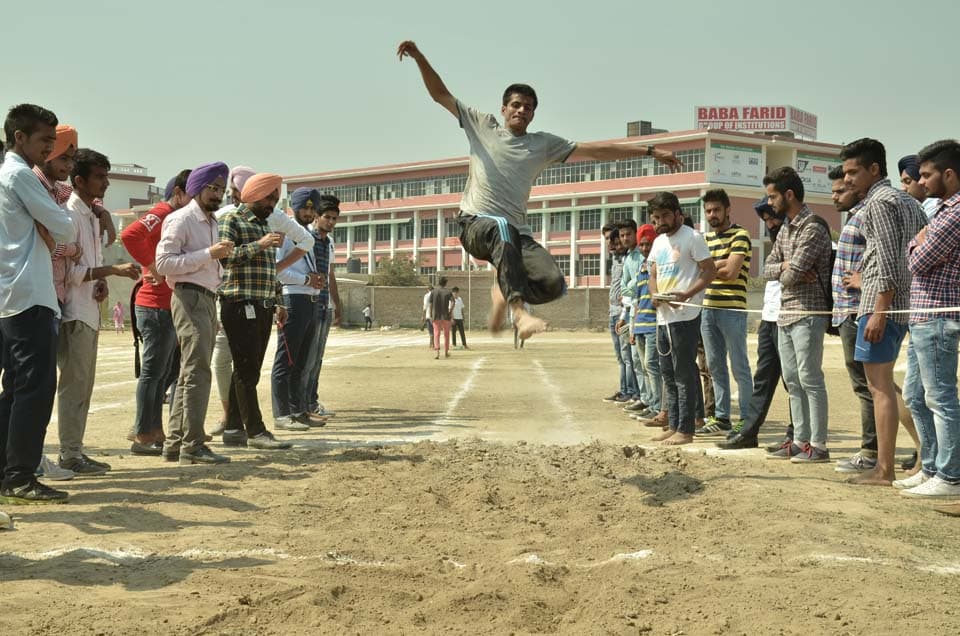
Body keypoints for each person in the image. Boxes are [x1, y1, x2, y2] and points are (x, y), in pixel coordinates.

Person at [397, 40, 680, 341]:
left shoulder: (542, 144)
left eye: (528, 107)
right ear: (503, 108)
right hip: (475, 224)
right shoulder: (482, 125)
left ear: (533, 115)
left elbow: (597, 151)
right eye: (516, 105)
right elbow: (440, 94)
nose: (521, 110)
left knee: (554, 282)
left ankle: (502, 292)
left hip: (516, 233)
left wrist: (649, 150)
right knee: (500, 226)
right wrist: (419, 57)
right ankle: (519, 313)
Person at [0, 104, 76, 504]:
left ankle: (9, 472)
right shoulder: (19, 175)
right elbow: (64, 224)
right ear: (19, 138)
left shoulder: (6, 174)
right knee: (34, 387)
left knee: (15, 387)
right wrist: (48, 223)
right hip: (28, 294)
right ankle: (20, 476)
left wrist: (44, 223)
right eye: (45, 140)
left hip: (15, 294)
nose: (49, 148)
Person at [840, 138, 926, 486]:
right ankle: (923, 459)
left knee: (880, 388)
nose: (846, 180)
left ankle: (884, 469)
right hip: (903, 304)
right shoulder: (909, 201)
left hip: (882, 304)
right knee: (891, 387)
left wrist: (879, 310)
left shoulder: (878, 202)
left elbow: (889, 259)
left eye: (852, 172)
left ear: (874, 169)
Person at [57, 149, 140, 476]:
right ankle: (69, 453)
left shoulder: (90, 214)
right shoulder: (70, 215)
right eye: (100, 177)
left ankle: (74, 450)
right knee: (74, 386)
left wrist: (100, 279)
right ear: (79, 181)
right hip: (74, 312)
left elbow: (87, 269)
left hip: (88, 308)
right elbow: (68, 272)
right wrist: (112, 270)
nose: (105, 183)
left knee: (83, 385)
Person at [155, 161, 235, 465]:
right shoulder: (181, 219)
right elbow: (163, 264)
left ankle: (175, 443)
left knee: (191, 372)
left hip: (204, 297)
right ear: (196, 188)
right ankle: (193, 444)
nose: (217, 194)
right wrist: (209, 255)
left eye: (221, 190)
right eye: (212, 188)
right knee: (197, 372)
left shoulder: (210, 221)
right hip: (188, 296)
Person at [218, 173, 301, 450]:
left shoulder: (266, 224)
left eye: (275, 199)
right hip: (240, 303)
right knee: (247, 370)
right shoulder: (233, 220)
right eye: (268, 198)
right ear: (252, 195)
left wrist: (278, 301)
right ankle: (256, 431)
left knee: (246, 368)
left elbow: (268, 271)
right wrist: (260, 244)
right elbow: (225, 257)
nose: (271, 204)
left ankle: (232, 429)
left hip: (263, 305)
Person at [897, 140, 960, 497]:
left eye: (926, 175)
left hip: (939, 316)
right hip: (922, 315)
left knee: (940, 397)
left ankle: (950, 476)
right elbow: (918, 251)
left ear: (948, 174)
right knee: (916, 396)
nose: (920, 182)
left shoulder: (954, 214)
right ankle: (932, 467)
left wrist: (916, 243)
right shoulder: (942, 211)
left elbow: (917, 261)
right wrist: (918, 240)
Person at [762, 166, 833, 463]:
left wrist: (788, 270)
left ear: (789, 194)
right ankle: (800, 440)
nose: (769, 203)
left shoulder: (813, 227)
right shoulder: (788, 228)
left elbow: (793, 276)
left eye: (773, 196)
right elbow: (768, 269)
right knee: (792, 379)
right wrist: (786, 267)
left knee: (810, 378)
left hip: (809, 313)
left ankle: (819, 445)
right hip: (786, 314)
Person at [120, 169, 192, 455]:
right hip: (154, 305)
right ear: (178, 193)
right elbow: (130, 234)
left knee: (163, 374)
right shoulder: (163, 212)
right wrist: (152, 265)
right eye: (192, 195)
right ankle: (142, 433)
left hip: (169, 305)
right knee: (152, 374)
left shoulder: (180, 219)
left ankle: (154, 430)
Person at [28, 123, 81, 483]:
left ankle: (28, 458)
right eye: (63, 155)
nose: (68, 164)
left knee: (39, 384)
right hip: (29, 294)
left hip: (51, 294)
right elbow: (49, 238)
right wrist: (70, 248)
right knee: (29, 385)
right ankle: (25, 461)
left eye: (71, 157)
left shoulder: (57, 191)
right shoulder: (29, 184)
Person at [718, 198, 793, 450]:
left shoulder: (799, 237)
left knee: (793, 381)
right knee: (763, 378)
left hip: (792, 319)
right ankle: (748, 431)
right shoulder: (775, 245)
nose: (771, 224)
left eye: (773, 217)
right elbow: (769, 274)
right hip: (770, 319)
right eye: (766, 221)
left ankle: (796, 434)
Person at [646, 191, 717, 446]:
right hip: (663, 316)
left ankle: (686, 430)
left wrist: (688, 294)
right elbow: (653, 273)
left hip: (685, 315)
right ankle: (673, 423)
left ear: (678, 213)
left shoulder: (692, 237)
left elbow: (710, 271)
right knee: (667, 372)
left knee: (684, 372)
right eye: (655, 218)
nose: (660, 222)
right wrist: (654, 296)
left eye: (665, 215)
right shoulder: (657, 242)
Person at [697, 188, 753, 435]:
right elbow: (694, 270)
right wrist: (719, 264)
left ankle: (747, 419)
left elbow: (731, 273)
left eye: (716, 210)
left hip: (732, 309)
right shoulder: (703, 240)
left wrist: (710, 267)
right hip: (707, 309)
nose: (712, 215)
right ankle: (721, 418)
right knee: (714, 366)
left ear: (728, 209)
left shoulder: (740, 235)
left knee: (739, 365)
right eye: (708, 211)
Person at [271, 187, 327, 431]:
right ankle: (282, 413)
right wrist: (307, 281)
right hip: (293, 299)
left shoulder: (305, 234)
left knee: (302, 361)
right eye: (304, 207)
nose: (308, 212)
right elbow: (279, 269)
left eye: (312, 208)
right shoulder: (286, 233)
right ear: (294, 207)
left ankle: (299, 410)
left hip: (310, 301)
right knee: (287, 360)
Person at [302, 194, 342, 420]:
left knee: (317, 358)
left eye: (334, 218)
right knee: (307, 359)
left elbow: (330, 274)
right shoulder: (307, 238)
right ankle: (303, 405)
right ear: (316, 217)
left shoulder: (329, 242)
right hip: (310, 303)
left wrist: (336, 303)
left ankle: (311, 401)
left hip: (324, 305)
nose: (331, 222)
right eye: (327, 217)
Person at [602, 223, 639, 403]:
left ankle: (632, 392)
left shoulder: (629, 259)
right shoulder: (616, 259)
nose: (610, 243)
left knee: (628, 356)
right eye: (607, 239)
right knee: (621, 357)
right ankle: (625, 389)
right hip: (614, 312)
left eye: (612, 239)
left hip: (623, 312)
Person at [626, 224, 659, 421]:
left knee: (652, 366)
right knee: (645, 368)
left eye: (649, 244)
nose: (645, 248)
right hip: (640, 325)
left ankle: (657, 406)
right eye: (643, 245)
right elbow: (637, 300)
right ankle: (651, 402)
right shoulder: (641, 268)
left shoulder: (658, 266)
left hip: (654, 325)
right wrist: (633, 327)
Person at [429, 277, 454, 359]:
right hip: (446, 316)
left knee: (436, 333)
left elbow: (430, 304)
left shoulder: (433, 292)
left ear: (438, 283)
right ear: (445, 283)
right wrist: (450, 311)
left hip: (436, 315)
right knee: (446, 334)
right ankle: (446, 352)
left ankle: (437, 352)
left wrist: (430, 315)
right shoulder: (448, 292)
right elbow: (453, 302)